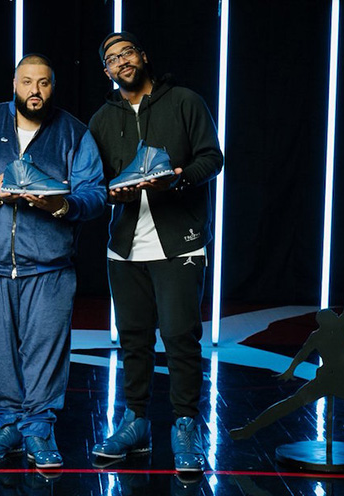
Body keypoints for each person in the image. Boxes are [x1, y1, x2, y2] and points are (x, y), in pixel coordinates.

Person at [0, 54, 105, 468]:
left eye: (44, 83)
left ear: (53, 87)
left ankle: (39, 430)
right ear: (14, 84)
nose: (35, 90)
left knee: (46, 354)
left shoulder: (74, 133)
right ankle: (6, 426)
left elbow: (94, 194)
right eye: (27, 82)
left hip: (50, 269)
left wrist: (61, 206)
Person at [88, 32, 223, 473]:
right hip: (124, 247)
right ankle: (135, 422)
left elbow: (212, 158)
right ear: (106, 71)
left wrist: (178, 180)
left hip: (180, 241)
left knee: (181, 336)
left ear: (143, 56)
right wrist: (112, 193)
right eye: (112, 58)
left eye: (127, 52)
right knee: (133, 339)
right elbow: (94, 182)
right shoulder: (101, 119)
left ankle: (185, 424)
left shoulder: (184, 101)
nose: (121, 61)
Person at [230, 250, 344, 440]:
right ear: (328, 320)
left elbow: (302, 354)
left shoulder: (318, 334)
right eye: (332, 314)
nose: (335, 313)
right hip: (339, 382)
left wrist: (291, 369)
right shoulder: (339, 327)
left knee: (289, 404)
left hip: (330, 381)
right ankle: (248, 429)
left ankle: (249, 429)